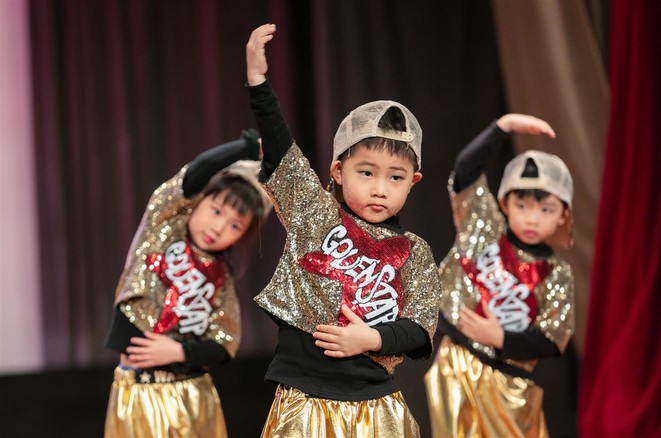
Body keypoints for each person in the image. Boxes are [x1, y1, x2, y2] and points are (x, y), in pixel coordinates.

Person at [245, 24, 442, 437]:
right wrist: (259, 85)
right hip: (306, 402)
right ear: (337, 170)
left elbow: (418, 327)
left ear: (413, 182)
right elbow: (282, 150)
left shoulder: (414, 250)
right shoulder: (315, 213)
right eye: (366, 172)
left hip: (376, 407)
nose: (378, 188)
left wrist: (369, 339)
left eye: (395, 178)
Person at [103, 130, 272, 438]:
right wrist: (246, 147)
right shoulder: (163, 224)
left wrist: (180, 352)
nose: (219, 227)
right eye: (217, 210)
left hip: (194, 395)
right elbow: (194, 173)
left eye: (235, 224)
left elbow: (225, 343)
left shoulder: (221, 277)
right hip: (138, 391)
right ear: (199, 199)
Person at [424, 114, 575, 437]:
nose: (532, 218)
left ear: (564, 214)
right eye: (522, 205)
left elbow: (551, 340)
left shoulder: (557, 273)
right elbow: (464, 173)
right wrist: (502, 127)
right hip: (458, 363)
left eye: (545, 209)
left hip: (511, 383)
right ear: (506, 202)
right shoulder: (485, 227)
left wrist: (500, 338)